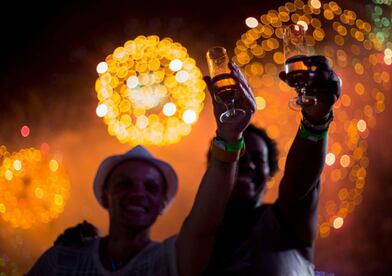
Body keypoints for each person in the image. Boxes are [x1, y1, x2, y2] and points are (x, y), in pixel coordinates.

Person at [26, 61, 256, 275]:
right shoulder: (60, 261)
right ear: (105, 196)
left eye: (151, 187)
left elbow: (205, 223)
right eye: (125, 184)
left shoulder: (170, 261)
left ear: (163, 203)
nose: (138, 193)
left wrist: (229, 136)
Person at [203, 55, 341, 275]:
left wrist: (316, 121)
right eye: (240, 155)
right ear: (217, 167)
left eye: (258, 160)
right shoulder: (196, 238)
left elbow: (300, 185)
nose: (248, 165)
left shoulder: (285, 223)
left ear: (269, 175)